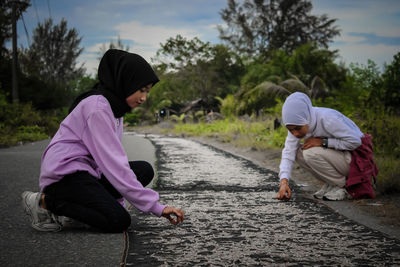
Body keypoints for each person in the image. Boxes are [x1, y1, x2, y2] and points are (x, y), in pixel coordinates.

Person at [21, 49, 184, 233]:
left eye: (147, 91)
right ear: (125, 82)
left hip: (87, 172)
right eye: (141, 90)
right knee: (118, 221)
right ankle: (44, 202)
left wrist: (115, 201)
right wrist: (156, 207)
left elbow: (109, 163)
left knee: (144, 170)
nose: (144, 98)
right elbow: (113, 163)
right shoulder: (97, 108)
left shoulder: (116, 109)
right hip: (64, 176)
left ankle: (81, 211)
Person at [276, 92, 377, 201]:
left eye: (297, 128)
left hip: (358, 161)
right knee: (297, 152)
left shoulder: (328, 118)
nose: (295, 133)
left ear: (306, 118)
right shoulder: (298, 124)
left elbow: (355, 142)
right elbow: (288, 152)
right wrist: (284, 182)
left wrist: (323, 142)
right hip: (342, 159)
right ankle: (332, 183)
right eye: (290, 130)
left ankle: (345, 187)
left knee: (310, 152)